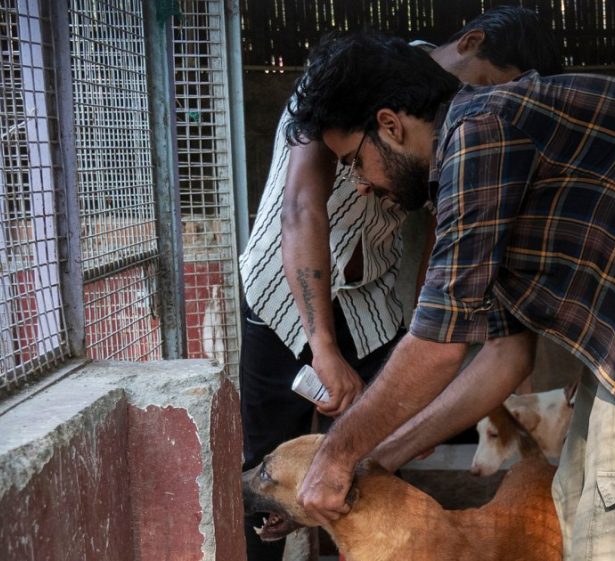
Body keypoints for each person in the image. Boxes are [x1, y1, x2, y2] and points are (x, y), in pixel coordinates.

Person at [284, 31, 615, 560]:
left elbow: (436, 347)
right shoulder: (477, 153)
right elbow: (505, 355)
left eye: (353, 162)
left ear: (390, 125)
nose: (360, 184)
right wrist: (382, 456)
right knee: (573, 505)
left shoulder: (481, 136)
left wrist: (337, 455)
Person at [237, 8, 561, 560]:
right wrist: (322, 347)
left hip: (372, 307)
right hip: (283, 297)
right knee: (271, 474)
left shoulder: (456, 130)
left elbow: (447, 237)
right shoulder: (347, 81)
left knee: (367, 471)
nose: (492, 110)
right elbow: (300, 208)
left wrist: (427, 321)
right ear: (471, 43)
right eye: (491, 87)